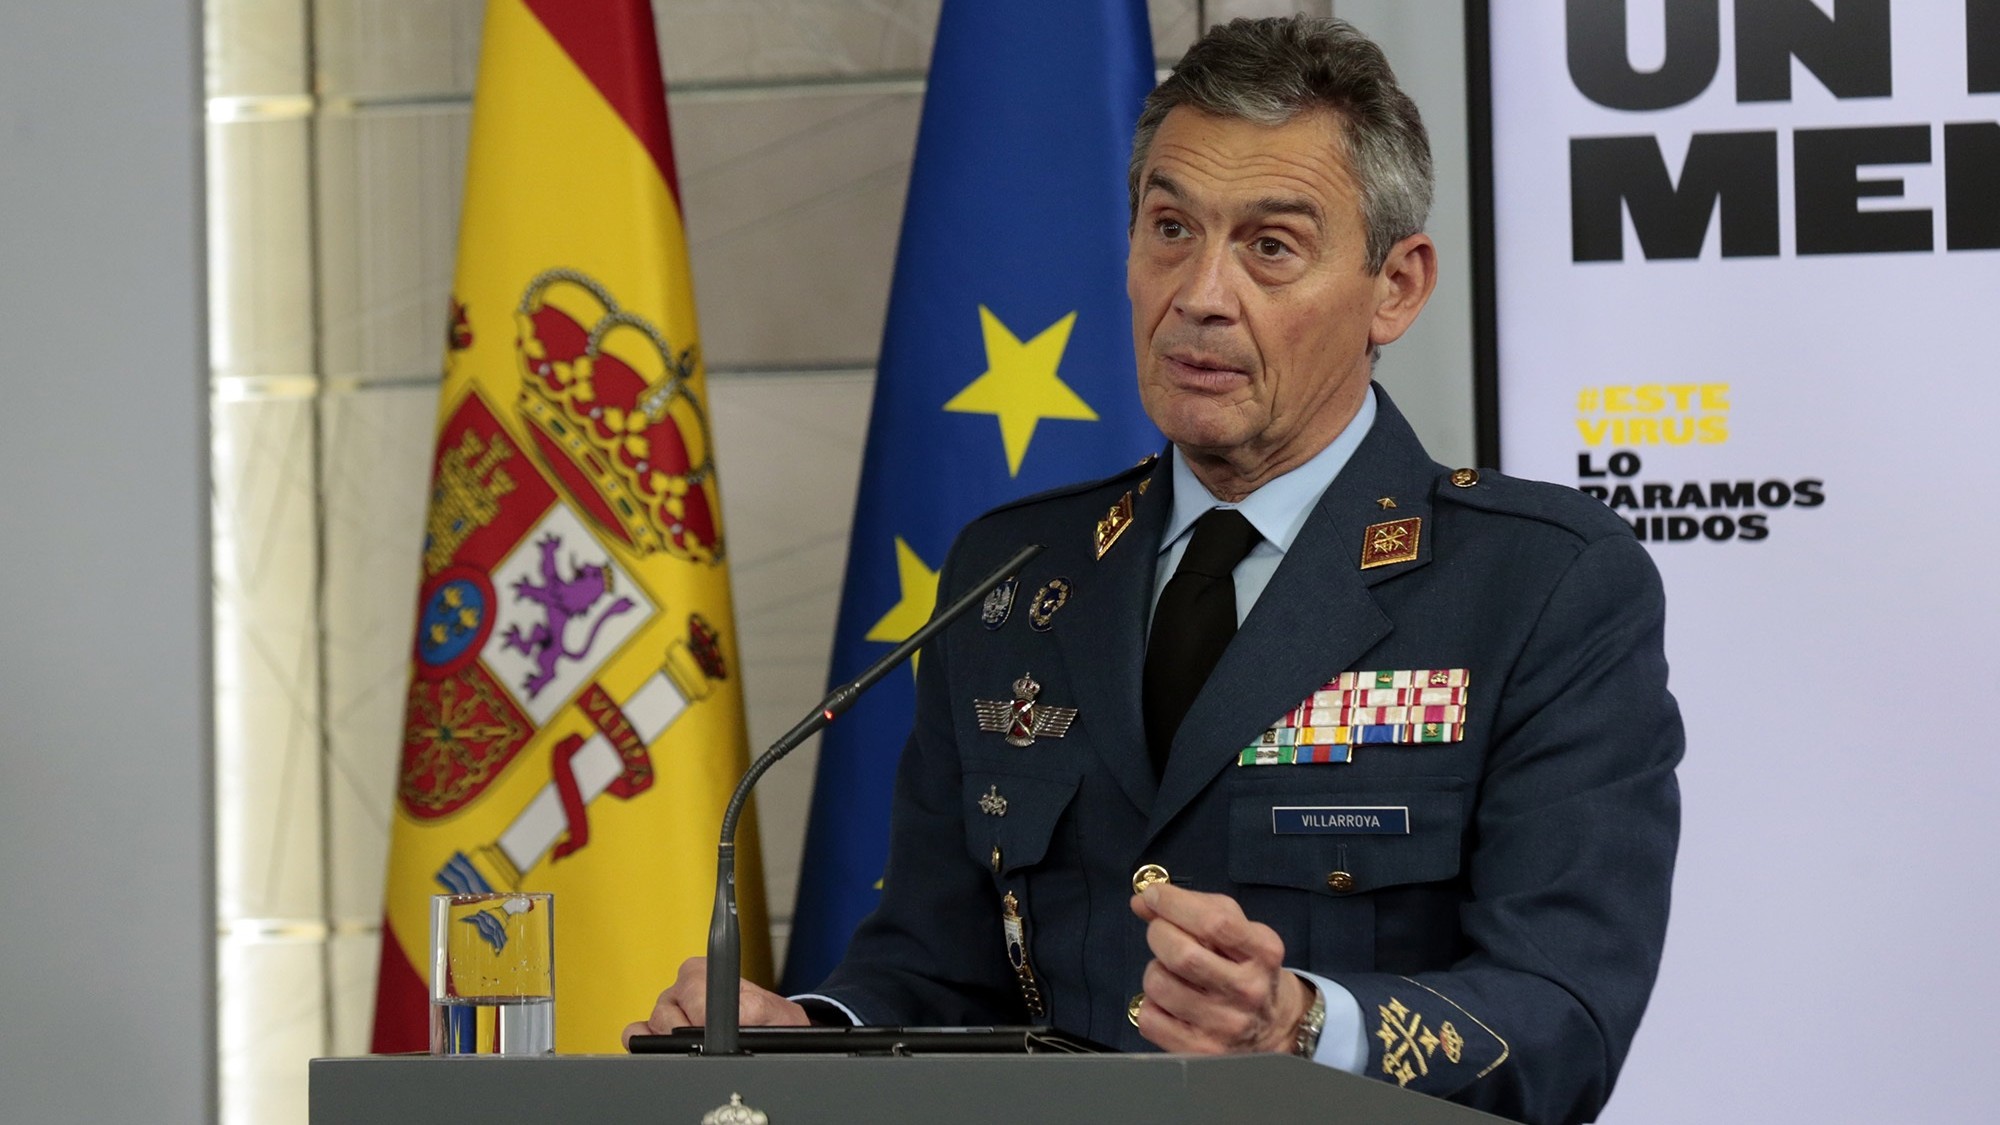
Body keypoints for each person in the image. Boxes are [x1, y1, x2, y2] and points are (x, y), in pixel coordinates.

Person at [628, 16, 1680, 1124]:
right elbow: (932, 972)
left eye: (1270, 246)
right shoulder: (1009, 573)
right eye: (1170, 229)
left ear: (1396, 287)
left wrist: (1301, 1025)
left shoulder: (1539, 586)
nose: (1200, 293)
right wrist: (809, 1033)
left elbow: (1563, 1014)